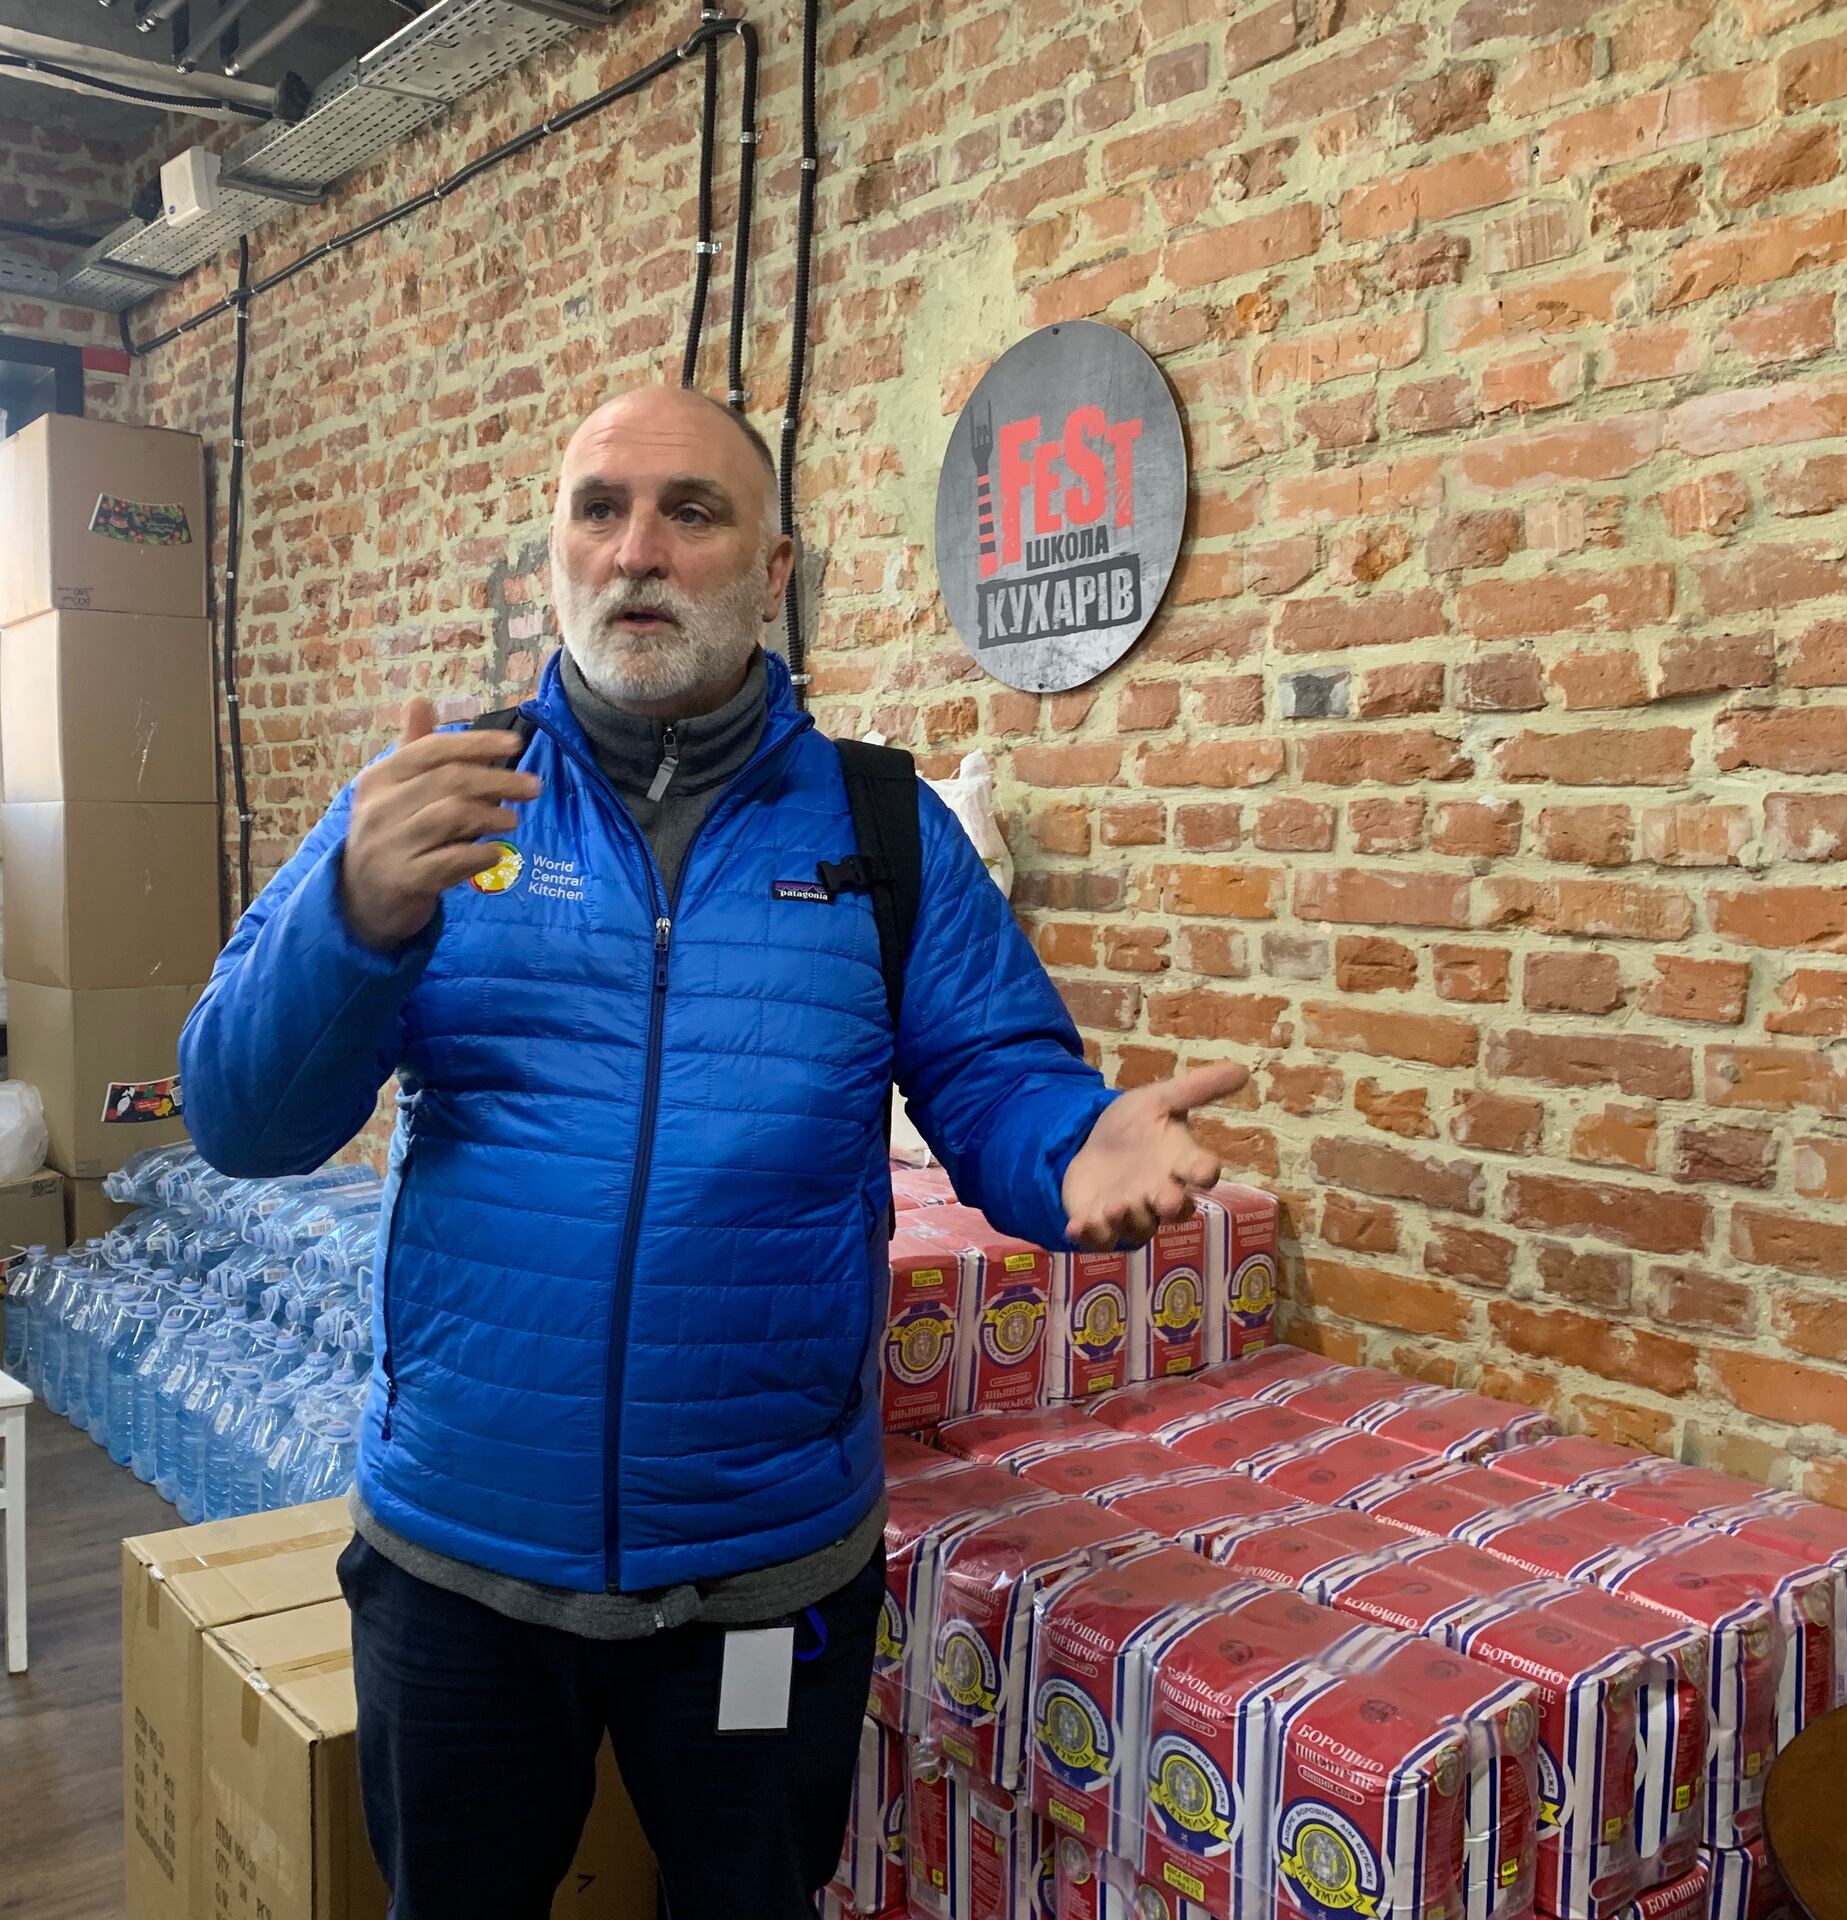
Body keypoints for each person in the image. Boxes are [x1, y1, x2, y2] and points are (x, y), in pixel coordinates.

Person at [177, 384, 1247, 1919]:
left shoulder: (882, 830)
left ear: (774, 565)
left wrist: (1071, 1150)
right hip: (462, 1569)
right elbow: (242, 1116)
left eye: (694, 512)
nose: (638, 551)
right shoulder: (435, 808)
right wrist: (350, 920)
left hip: (764, 1576)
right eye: (598, 509)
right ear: (553, 553)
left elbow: (1000, 1077)